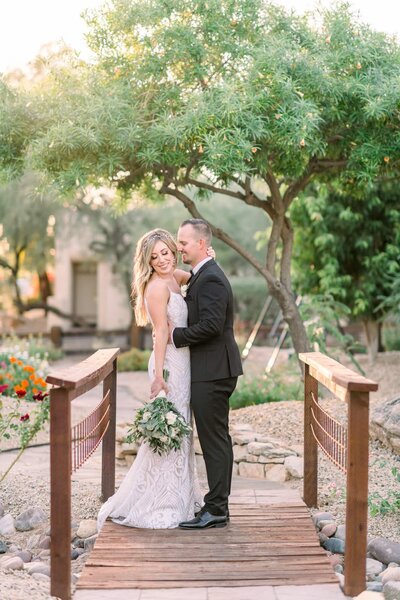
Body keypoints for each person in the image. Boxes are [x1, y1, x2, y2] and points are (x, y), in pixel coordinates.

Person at [97, 228, 202, 530]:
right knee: (170, 429)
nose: (162, 260)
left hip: (184, 362)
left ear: (172, 250)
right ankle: (163, 501)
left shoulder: (175, 277)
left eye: (165, 253)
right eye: (154, 257)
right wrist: (158, 376)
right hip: (168, 365)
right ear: (148, 262)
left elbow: (195, 276)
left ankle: (181, 495)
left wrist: (207, 258)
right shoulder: (156, 288)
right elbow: (159, 334)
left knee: (181, 427)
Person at [172, 219, 243, 530]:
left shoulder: (211, 278)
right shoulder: (205, 272)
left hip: (213, 371)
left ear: (201, 244)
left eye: (184, 242)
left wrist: (176, 336)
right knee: (217, 439)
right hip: (211, 369)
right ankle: (217, 505)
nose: (179, 247)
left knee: (214, 441)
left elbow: (213, 326)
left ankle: (216, 509)